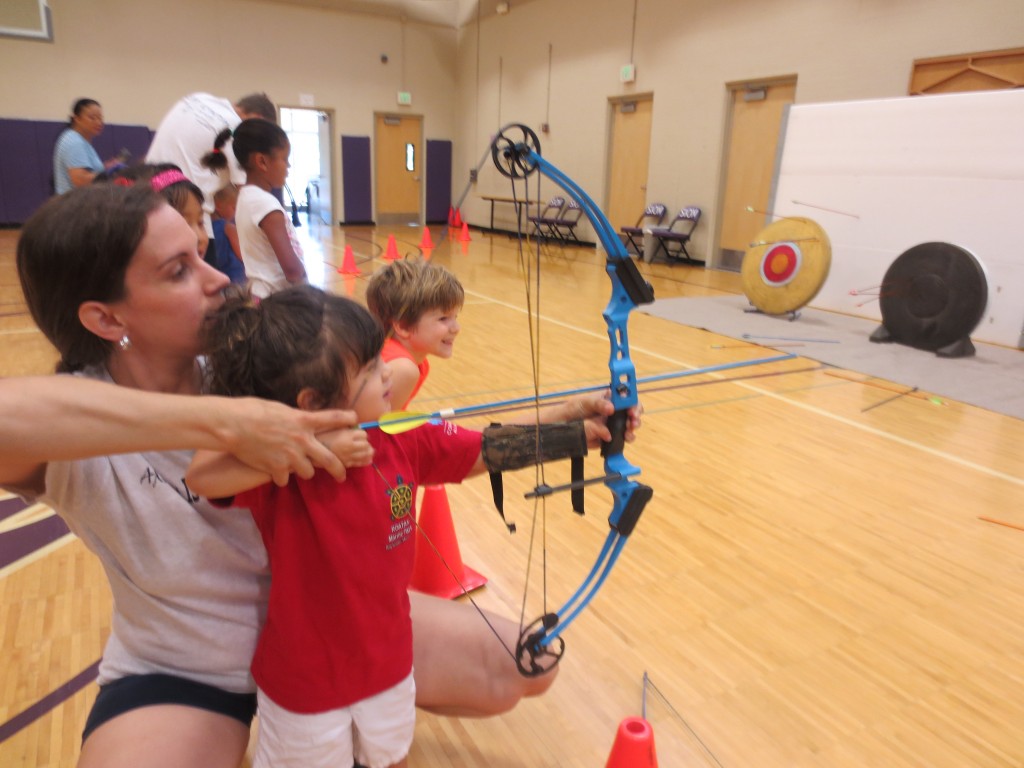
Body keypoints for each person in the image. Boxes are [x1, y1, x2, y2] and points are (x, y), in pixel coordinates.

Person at [2, 184, 640, 767]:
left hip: (340, 628)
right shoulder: (68, 426)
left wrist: (565, 426)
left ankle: (351, 713)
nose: (218, 275)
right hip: (185, 669)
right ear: (106, 318)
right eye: (178, 271)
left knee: (526, 666)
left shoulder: (267, 363)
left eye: (201, 251)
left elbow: (439, 448)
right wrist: (223, 427)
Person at [186, 285, 608, 768]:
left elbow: (486, 448)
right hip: (305, 686)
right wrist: (313, 450)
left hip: (388, 666)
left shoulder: (398, 436)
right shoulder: (278, 469)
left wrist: (572, 428)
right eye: (369, 370)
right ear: (313, 401)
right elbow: (203, 474)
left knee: (390, 759)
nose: (388, 371)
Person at [146, 92, 276, 265]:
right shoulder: (236, 129)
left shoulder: (197, 98)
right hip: (186, 215)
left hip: (147, 200)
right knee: (201, 285)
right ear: (256, 118)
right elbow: (249, 194)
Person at [202, 119, 305, 297]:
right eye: (284, 159)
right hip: (280, 302)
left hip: (260, 295)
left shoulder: (245, 197)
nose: (288, 166)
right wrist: (307, 290)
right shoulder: (265, 204)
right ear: (262, 161)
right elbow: (292, 270)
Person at [366, 258, 463, 410]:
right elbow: (380, 430)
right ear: (403, 326)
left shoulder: (415, 362)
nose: (456, 328)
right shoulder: (403, 368)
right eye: (443, 318)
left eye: (455, 317)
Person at [52, 98, 119, 194]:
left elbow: (88, 173)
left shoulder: (80, 140)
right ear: (77, 119)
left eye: (100, 118)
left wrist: (105, 167)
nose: (98, 122)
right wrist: (109, 173)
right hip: (74, 205)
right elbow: (81, 181)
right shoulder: (74, 142)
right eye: (92, 118)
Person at [211, 184, 246, 284]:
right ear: (218, 205)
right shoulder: (229, 227)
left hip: (219, 276)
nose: (236, 212)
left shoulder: (207, 228)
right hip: (236, 278)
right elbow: (243, 255)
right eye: (234, 208)